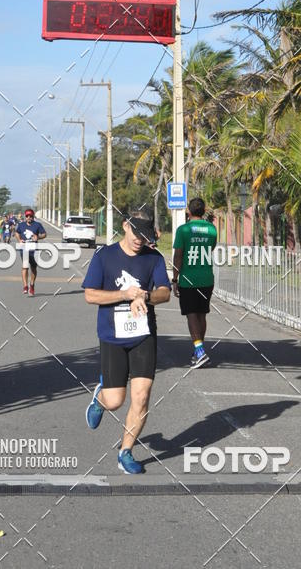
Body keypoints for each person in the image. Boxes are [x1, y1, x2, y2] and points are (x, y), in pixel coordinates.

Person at [83, 208, 171, 475]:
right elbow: (91, 295)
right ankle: (100, 399)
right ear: (125, 226)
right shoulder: (104, 256)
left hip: (143, 334)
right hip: (112, 336)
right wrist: (124, 294)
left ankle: (125, 452)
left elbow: (165, 293)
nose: (139, 241)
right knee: (115, 401)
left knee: (142, 397)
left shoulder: (153, 258)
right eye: (136, 234)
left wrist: (144, 297)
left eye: (144, 237)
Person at [172, 197, 217, 367]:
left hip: (188, 279)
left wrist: (175, 279)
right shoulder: (212, 229)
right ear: (204, 211)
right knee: (201, 314)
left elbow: (178, 256)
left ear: (188, 212)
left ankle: (199, 351)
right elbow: (210, 248)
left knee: (191, 314)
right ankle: (199, 349)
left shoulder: (183, 230)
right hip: (206, 278)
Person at [15, 208, 46, 295]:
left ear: (33, 216)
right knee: (25, 266)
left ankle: (32, 284)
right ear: (25, 216)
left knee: (33, 268)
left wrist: (38, 237)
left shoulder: (37, 225)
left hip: (34, 249)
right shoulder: (21, 225)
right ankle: (25, 286)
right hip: (24, 248)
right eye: (27, 216)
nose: (29, 217)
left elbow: (44, 234)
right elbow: (17, 233)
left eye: (31, 216)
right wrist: (19, 240)